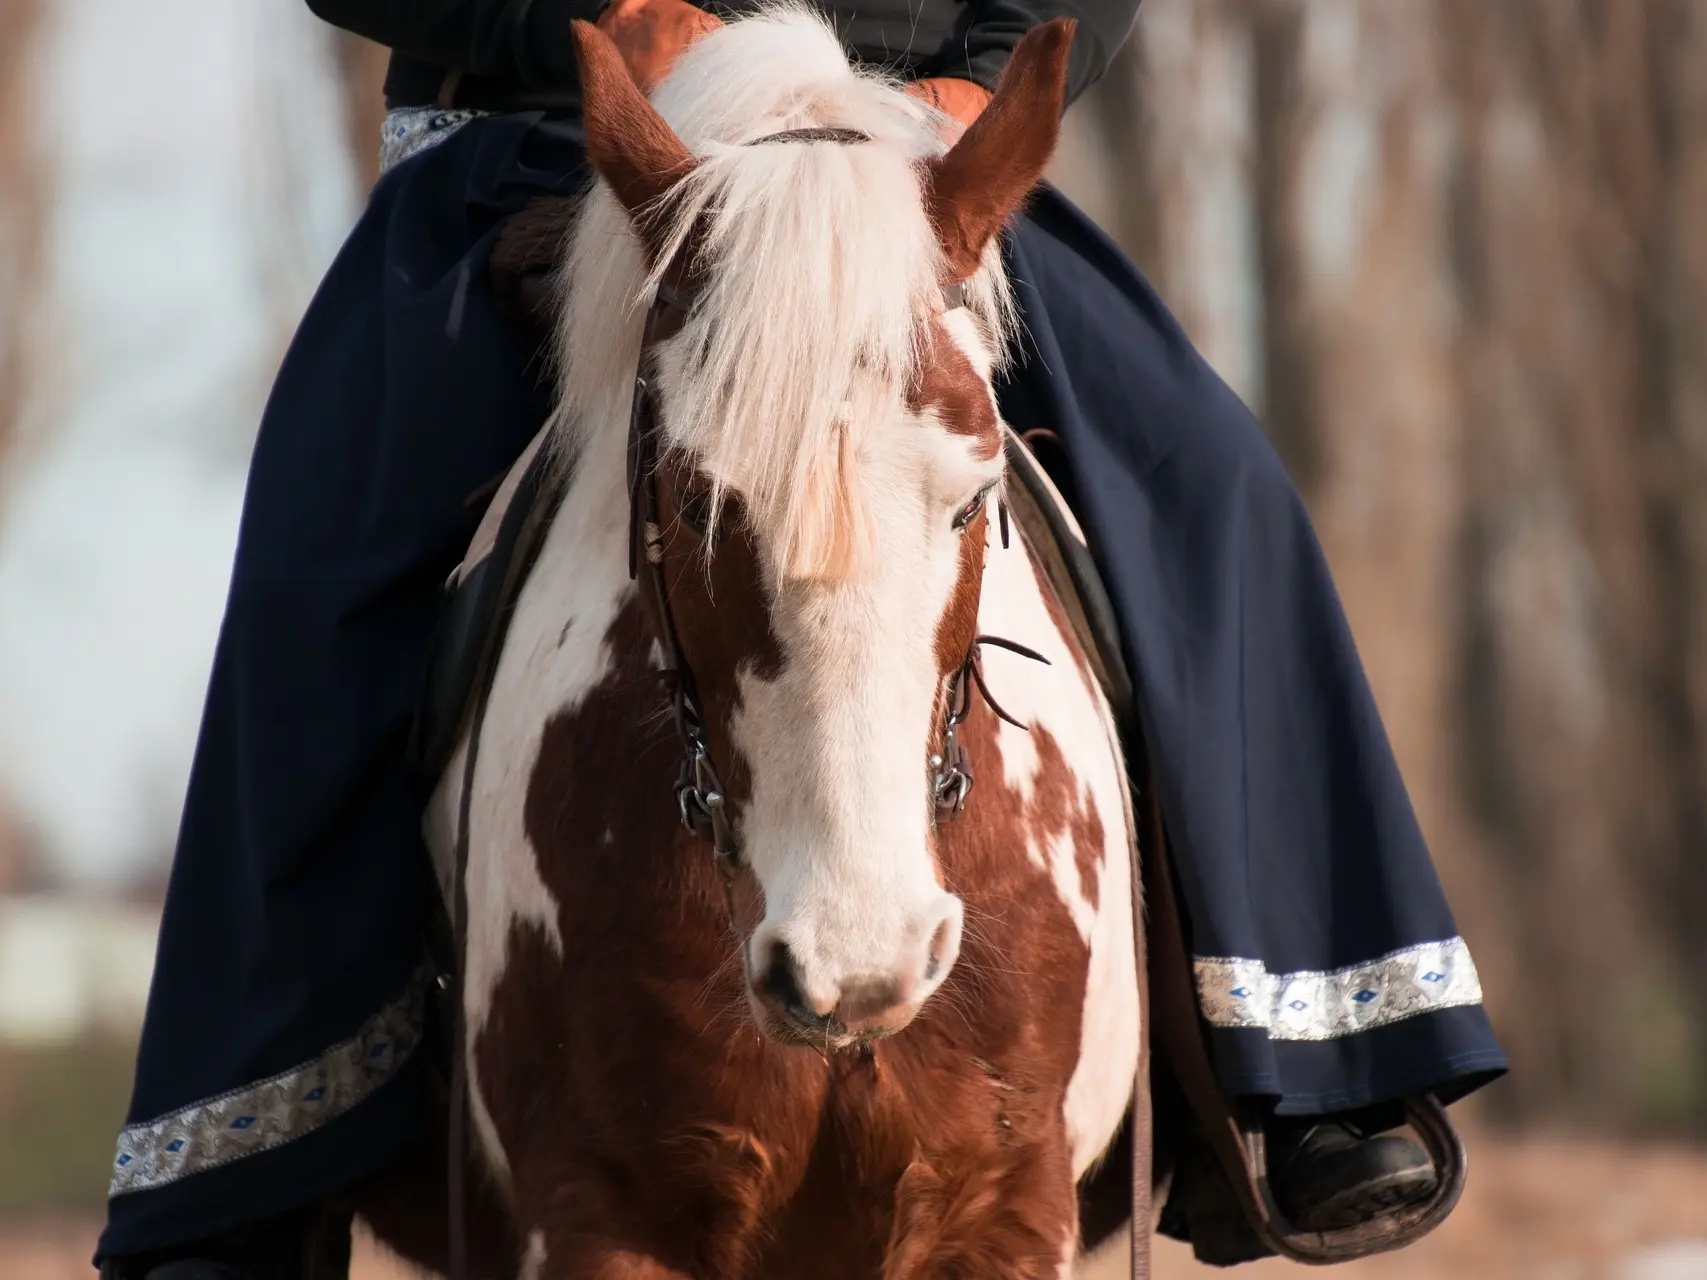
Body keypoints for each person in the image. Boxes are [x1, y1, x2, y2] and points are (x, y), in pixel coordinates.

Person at [96, 0, 1508, 1275]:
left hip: (891, 162)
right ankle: (251, 1157)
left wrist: (974, 75)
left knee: (1210, 486)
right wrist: (575, 23)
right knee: (322, 561)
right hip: (560, 147)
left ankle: (1314, 1059)